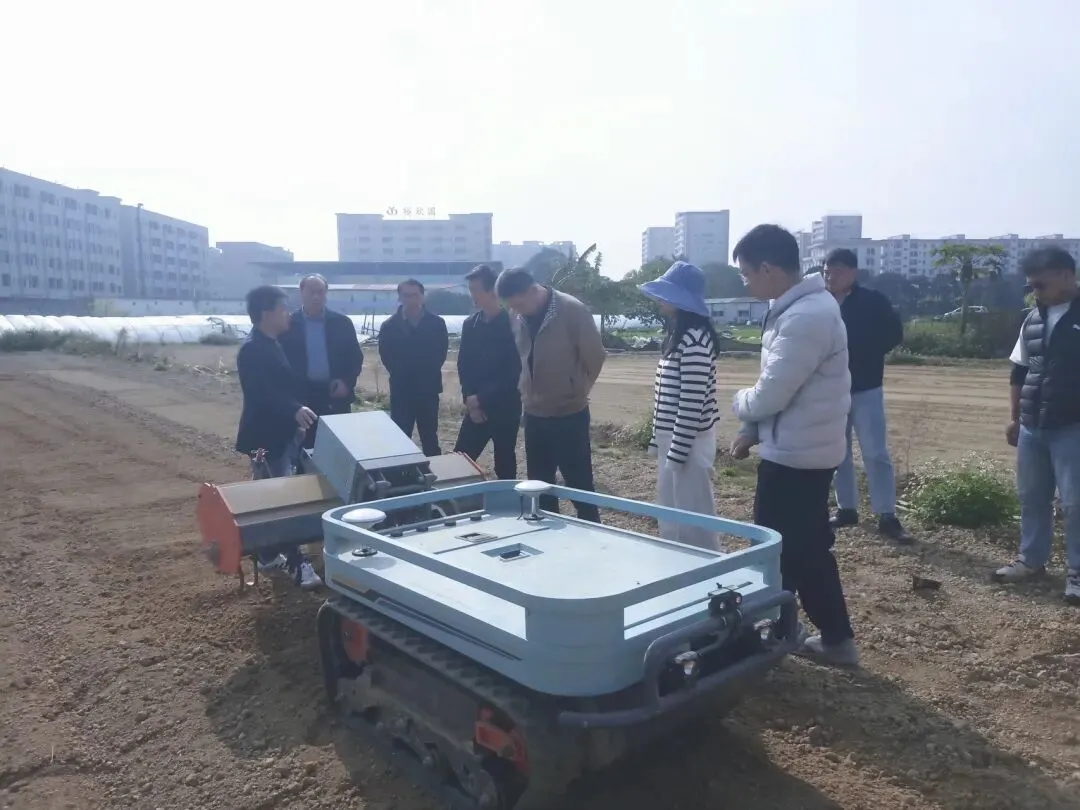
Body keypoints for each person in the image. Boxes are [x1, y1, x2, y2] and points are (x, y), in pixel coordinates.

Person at [729, 224, 857, 667]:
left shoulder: (806, 317)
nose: (746, 282)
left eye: (747, 273)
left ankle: (774, 638)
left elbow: (771, 393)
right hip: (801, 448)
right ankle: (821, 637)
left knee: (780, 550)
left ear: (768, 268)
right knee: (804, 549)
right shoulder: (798, 309)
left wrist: (740, 403)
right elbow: (783, 387)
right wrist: (753, 429)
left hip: (798, 458)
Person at [993, 246, 1080, 605]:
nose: (1035, 292)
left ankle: (1077, 573)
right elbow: (1020, 370)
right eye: (1031, 286)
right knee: (1032, 497)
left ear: (1065, 275)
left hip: (1073, 425)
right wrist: (1015, 418)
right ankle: (1031, 559)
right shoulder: (1032, 319)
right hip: (1033, 425)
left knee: (1075, 502)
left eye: (1040, 285)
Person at [495, 268, 606, 522]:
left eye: (519, 304)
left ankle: (593, 532)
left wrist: (577, 389)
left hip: (569, 413)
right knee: (539, 486)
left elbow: (595, 356)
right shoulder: (516, 315)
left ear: (532, 291)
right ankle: (547, 534)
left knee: (579, 485)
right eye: (512, 306)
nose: (516, 310)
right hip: (534, 413)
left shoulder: (572, 310)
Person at [822, 249, 914, 544]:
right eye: (827, 271)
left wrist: (868, 354)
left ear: (853, 272)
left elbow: (894, 334)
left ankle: (887, 515)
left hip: (866, 386)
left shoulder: (872, 301)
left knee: (875, 452)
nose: (830, 276)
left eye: (837, 271)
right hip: (832, 389)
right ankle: (846, 508)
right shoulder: (820, 302)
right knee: (839, 452)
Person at [234, 285, 322, 590]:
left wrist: (295, 417)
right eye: (282, 309)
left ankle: (269, 553)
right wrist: (293, 410)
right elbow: (262, 394)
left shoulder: (272, 344)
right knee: (278, 498)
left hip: (281, 437)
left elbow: (282, 389)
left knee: (273, 493)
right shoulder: (251, 350)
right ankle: (296, 563)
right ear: (266, 313)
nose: (288, 314)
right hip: (262, 442)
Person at [638, 261, 722, 550]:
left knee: (693, 514)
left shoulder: (694, 340)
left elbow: (691, 403)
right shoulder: (680, 336)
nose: (660, 299)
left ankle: (705, 563)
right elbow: (665, 398)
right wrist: (658, 441)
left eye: (667, 293)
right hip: (675, 441)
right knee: (672, 509)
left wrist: (677, 453)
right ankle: (677, 559)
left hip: (689, 443)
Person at [279, 274, 365, 450]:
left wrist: (346, 382)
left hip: (334, 396)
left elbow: (355, 358)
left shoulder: (342, 323)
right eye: (311, 292)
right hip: (301, 399)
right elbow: (279, 363)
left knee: (337, 449)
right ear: (301, 293)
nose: (316, 297)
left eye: (320, 292)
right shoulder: (287, 325)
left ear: (326, 294)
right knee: (304, 450)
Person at [454, 264, 522, 479]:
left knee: (505, 462)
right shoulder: (470, 325)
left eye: (475, 289)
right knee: (461, 458)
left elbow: (514, 370)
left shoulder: (513, 325)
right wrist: (470, 400)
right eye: (470, 289)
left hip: (505, 406)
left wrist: (481, 399)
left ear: (492, 291)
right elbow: (464, 365)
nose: (472, 295)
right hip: (475, 406)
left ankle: (508, 498)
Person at [377, 279, 449, 456]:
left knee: (430, 438)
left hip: (428, 390)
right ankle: (402, 471)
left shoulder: (437, 324)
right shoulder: (389, 326)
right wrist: (404, 374)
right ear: (399, 298)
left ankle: (434, 470)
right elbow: (386, 357)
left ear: (422, 297)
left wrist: (424, 374)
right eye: (406, 296)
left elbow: (441, 353)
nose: (411, 300)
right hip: (401, 391)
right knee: (400, 438)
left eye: (415, 295)